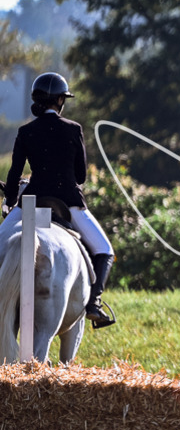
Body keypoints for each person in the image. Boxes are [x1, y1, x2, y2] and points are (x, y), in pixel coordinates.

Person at [2, 72, 117, 327]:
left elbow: (13, 174)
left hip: (31, 202)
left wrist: (10, 200)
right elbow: (81, 175)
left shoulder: (26, 131)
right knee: (105, 250)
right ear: (60, 101)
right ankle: (94, 305)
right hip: (68, 202)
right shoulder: (73, 129)